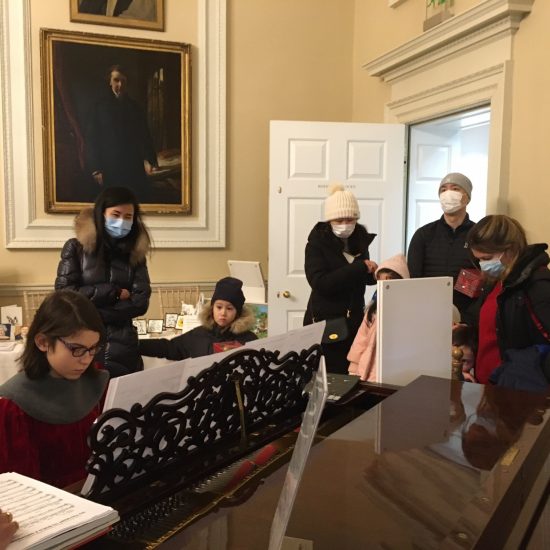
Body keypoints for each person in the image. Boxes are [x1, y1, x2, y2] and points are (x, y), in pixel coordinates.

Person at [0, 290, 108, 488]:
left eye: (93, 348)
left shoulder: (97, 380)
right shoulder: (12, 407)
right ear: (43, 342)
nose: (86, 359)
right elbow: (22, 488)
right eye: (77, 349)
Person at [55, 186, 152, 377]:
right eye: (116, 214)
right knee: (84, 394)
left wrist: (93, 311)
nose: (122, 221)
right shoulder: (75, 248)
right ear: (101, 213)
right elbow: (65, 295)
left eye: (128, 217)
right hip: (80, 345)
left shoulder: (135, 253)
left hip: (124, 347)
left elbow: (140, 302)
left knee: (123, 394)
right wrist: (114, 292)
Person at [465, 214, 550, 387]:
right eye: (478, 259)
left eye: (487, 258)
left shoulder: (537, 284)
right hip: (489, 385)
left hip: (516, 391)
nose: (482, 265)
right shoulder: (496, 281)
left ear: (510, 250)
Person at [303, 183, 377, 373]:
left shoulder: (360, 240)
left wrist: (373, 274)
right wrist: (359, 267)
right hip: (325, 323)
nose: (345, 224)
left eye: (350, 219)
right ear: (330, 220)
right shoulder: (316, 244)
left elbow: (359, 278)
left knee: (352, 375)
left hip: (355, 322)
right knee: (328, 377)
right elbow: (321, 283)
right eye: (339, 219)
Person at [85, 64, 158, 202]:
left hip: (132, 165)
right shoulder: (99, 107)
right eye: (116, 80)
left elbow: (144, 135)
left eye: (123, 81)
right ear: (110, 81)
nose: (120, 85)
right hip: (108, 166)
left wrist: (150, 160)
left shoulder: (134, 107)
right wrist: (95, 168)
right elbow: (91, 139)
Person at [407, 172, 476, 318]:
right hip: (427, 311)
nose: (448, 193)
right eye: (443, 190)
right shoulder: (423, 234)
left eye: (455, 188)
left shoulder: (478, 235)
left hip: (466, 315)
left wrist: (468, 318)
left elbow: (485, 278)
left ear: (467, 197)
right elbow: (413, 278)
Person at [140, 277, 257, 361]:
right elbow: (170, 347)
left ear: (238, 312)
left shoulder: (249, 340)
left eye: (230, 308)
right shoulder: (198, 335)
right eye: (219, 307)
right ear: (212, 308)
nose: (223, 313)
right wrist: (137, 345)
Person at [348, 254, 410, 382]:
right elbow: (360, 340)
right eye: (380, 281)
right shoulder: (373, 310)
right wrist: (353, 369)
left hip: (390, 375)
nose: (384, 285)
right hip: (366, 373)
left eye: (389, 280)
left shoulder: (406, 312)